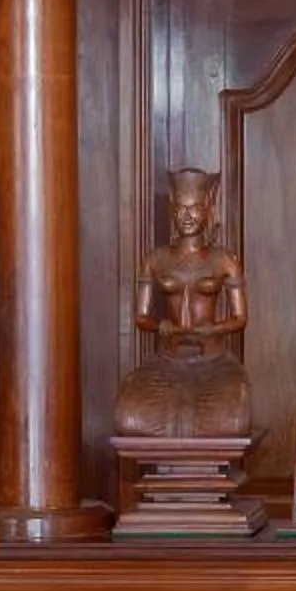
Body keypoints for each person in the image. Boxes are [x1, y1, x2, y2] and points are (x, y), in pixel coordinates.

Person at [113, 168, 251, 438]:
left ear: (208, 209)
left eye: (195, 208)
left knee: (232, 422)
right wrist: (160, 325)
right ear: (172, 209)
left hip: (213, 359)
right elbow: (141, 317)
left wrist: (213, 329)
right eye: (181, 209)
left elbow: (241, 318)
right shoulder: (156, 259)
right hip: (167, 359)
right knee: (128, 418)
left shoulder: (224, 260)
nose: (187, 217)